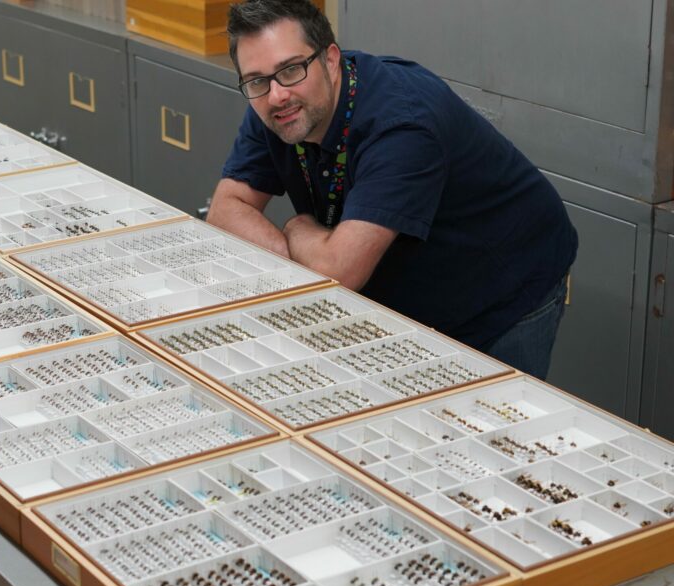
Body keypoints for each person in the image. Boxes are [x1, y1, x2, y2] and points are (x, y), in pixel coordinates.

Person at [207, 0, 577, 379]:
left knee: (488, 421)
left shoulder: (401, 126)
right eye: (256, 80)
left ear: (330, 60)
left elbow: (340, 271)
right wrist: (307, 251)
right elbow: (225, 210)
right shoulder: (276, 105)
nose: (276, 95)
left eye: (291, 69)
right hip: (407, 285)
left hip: (503, 287)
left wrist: (297, 229)